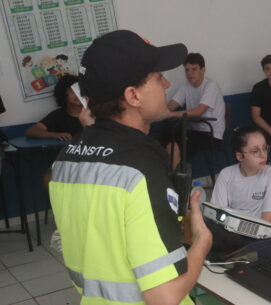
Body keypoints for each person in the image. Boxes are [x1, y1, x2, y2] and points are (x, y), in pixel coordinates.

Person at [48, 30, 211, 305]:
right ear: (134, 95)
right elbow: (164, 298)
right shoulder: (140, 170)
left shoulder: (66, 159)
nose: (168, 83)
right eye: (159, 77)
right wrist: (201, 243)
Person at [212, 125, 271, 223]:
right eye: (255, 151)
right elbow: (218, 214)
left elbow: (267, 222)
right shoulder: (226, 175)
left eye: (265, 148)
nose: (263, 155)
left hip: (260, 234)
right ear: (240, 156)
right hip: (230, 231)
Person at [165, 52, 227, 167]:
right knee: (162, 140)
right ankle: (174, 177)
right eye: (187, 70)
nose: (190, 73)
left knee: (174, 147)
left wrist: (170, 114)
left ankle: (178, 182)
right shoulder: (185, 86)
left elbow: (199, 111)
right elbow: (171, 105)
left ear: (203, 70)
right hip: (193, 132)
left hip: (211, 135)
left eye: (194, 69)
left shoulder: (211, 85)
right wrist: (159, 112)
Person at [25, 74, 94, 140]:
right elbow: (31, 131)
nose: (78, 94)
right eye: (73, 91)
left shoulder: (94, 114)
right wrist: (55, 135)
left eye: (81, 91)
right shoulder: (57, 115)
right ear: (63, 93)